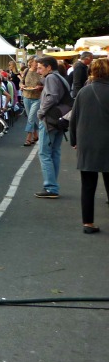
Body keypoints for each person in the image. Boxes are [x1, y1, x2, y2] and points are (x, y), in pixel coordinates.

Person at [69, 57, 109, 233]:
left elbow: (74, 118)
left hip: (87, 143)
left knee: (87, 185)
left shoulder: (84, 92)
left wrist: (74, 141)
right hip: (107, 143)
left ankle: (88, 223)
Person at [35, 55, 72, 199]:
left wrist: (41, 112)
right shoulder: (61, 77)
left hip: (50, 120)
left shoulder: (51, 78)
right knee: (55, 152)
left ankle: (51, 187)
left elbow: (52, 97)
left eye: (40, 68)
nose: (38, 71)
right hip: (60, 120)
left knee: (44, 153)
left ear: (48, 67)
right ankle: (52, 185)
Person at [20, 56, 43, 146]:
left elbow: (46, 84)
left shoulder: (40, 72)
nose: (37, 64)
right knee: (31, 117)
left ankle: (28, 138)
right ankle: (35, 135)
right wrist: (21, 86)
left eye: (38, 62)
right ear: (31, 62)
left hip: (37, 97)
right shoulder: (26, 71)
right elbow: (21, 82)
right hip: (26, 96)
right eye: (35, 62)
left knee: (31, 117)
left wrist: (40, 87)